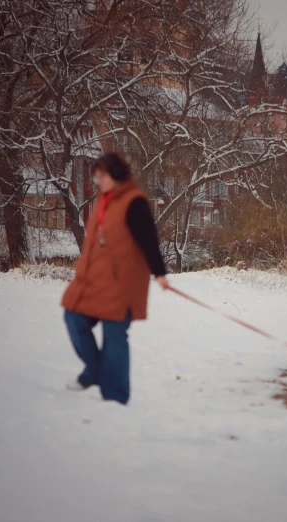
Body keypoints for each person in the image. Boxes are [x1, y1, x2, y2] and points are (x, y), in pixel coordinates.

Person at [61, 152, 168, 404]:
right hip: (93, 280)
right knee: (73, 316)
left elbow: (149, 241)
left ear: (116, 175)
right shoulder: (103, 201)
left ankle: (116, 396)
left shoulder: (134, 202)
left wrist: (160, 272)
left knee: (114, 335)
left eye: (102, 176)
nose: (98, 181)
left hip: (122, 283)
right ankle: (94, 371)